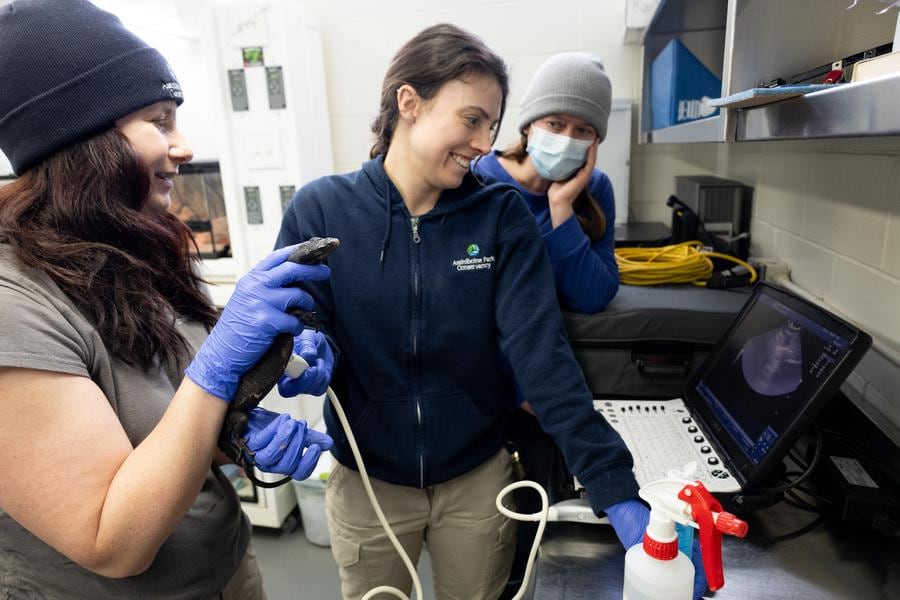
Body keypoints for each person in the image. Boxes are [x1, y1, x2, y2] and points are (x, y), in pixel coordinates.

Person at [277, 23, 705, 600]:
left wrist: (613, 483)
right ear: (410, 102)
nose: (484, 144)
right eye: (472, 119)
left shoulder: (498, 215)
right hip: (367, 483)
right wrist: (300, 347)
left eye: (492, 125)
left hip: (476, 481)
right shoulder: (320, 209)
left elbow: (542, 354)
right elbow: (291, 323)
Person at [0, 1, 334, 598]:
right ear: (82, 137)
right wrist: (216, 370)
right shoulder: (13, 302)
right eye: (159, 121)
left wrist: (235, 427)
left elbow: (165, 410)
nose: (182, 146)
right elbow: (112, 540)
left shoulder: (133, 247)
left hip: (224, 571)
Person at [472, 51, 619, 315]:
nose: (567, 139)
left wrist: (561, 206)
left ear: (596, 141)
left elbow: (594, 297)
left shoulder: (596, 188)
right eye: (555, 124)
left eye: (583, 130)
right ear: (528, 125)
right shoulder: (479, 178)